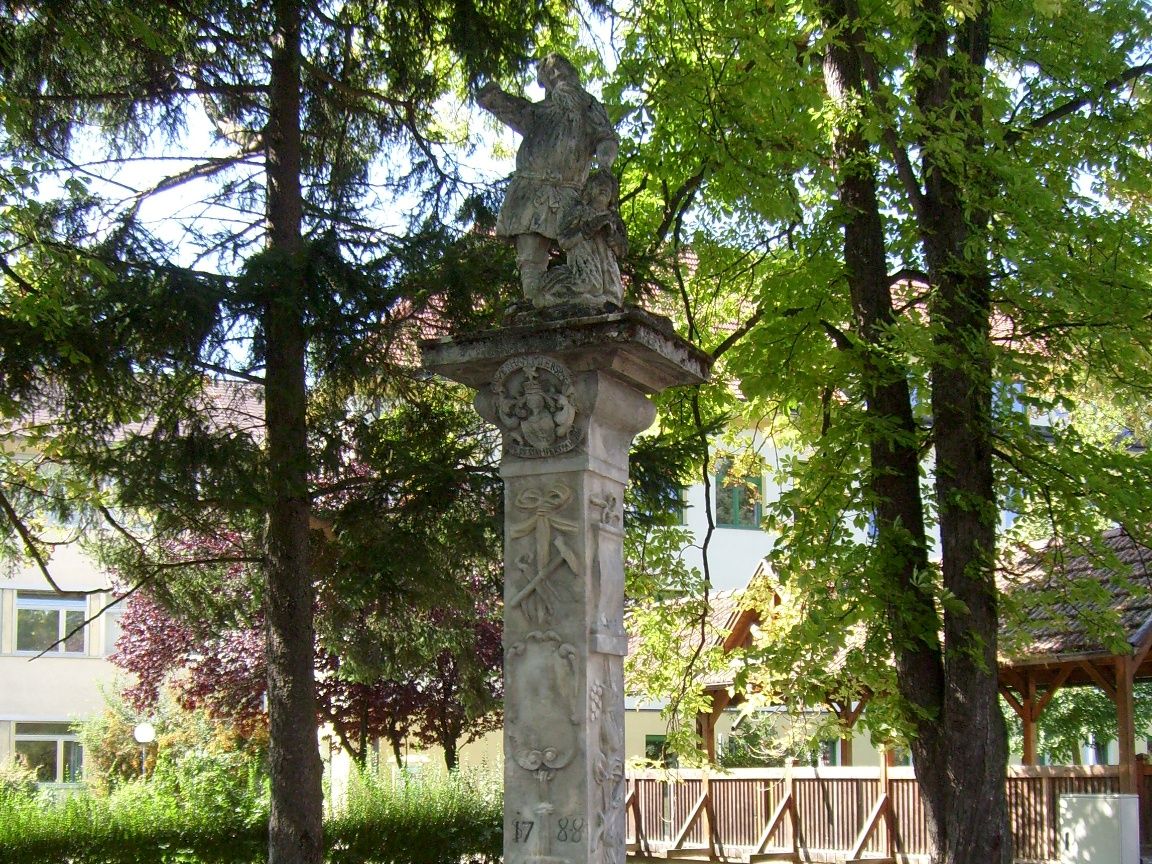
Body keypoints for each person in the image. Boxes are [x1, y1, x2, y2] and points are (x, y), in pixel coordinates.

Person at [478, 54, 619, 306]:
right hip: (530, 188)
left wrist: (605, 167)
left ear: (573, 74)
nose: (557, 75)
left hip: (569, 191)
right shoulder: (539, 111)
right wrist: (494, 99)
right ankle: (534, 300)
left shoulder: (588, 107)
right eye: (550, 74)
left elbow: (606, 139)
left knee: (582, 240)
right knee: (529, 254)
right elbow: (516, 110)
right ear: (545, 83)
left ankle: (591, 288)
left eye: (561, 70)